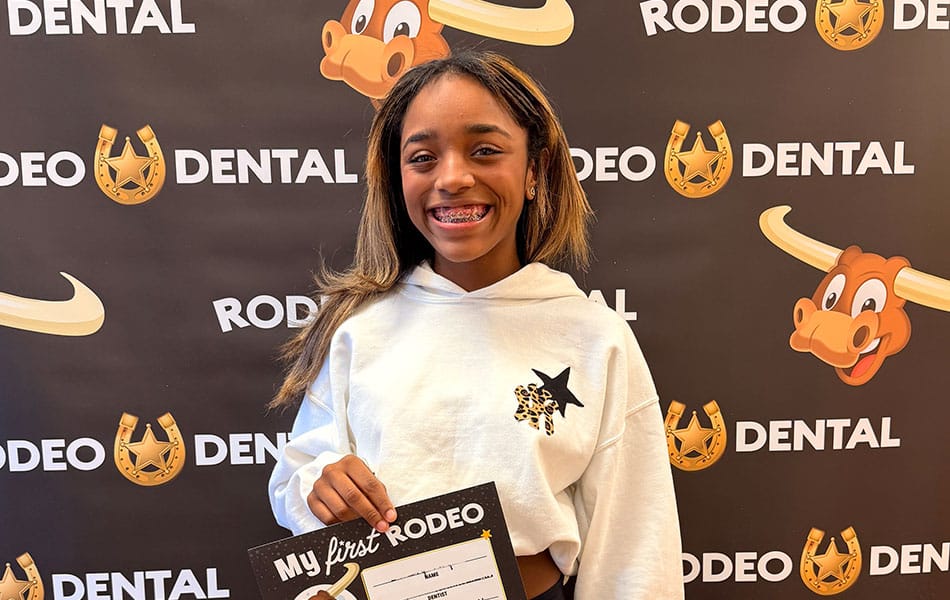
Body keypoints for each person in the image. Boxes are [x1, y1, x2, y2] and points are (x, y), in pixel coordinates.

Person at [268, 50, 684, 600]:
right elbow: (298, 475)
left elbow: (633, 545)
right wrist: (319, 483)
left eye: (485, 151)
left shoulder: (594, 337)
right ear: (398, 179)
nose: (454, 178)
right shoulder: (358, 327)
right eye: (422, 158)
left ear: (534, 170)